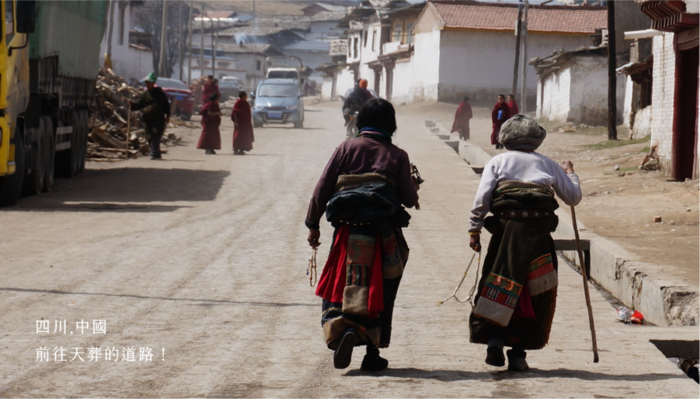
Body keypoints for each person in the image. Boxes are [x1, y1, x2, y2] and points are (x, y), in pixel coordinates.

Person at [306, 98, 419, 372]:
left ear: (360, 121)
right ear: (391, 125)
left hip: (346, 231)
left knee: (340, 283)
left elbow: (323, 187)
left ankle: (341, 331)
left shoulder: (345, 148)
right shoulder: (398, 155)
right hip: (383, 236)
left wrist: (313, 223)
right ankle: (372, 352)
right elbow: (408, 197)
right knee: (384, 287)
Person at [467, 114, 582, 372]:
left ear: (506, 140)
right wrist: (571, 175)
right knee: (534, 290)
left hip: (505, 238)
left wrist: (474, 231)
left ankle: (495, 338)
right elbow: (573, 198)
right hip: (538, 240)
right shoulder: (549, 165)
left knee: (498, 282)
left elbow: (481, 201)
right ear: (537, 140)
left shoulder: (497, 162)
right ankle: (518, 354)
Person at [130, 72, 171, 160]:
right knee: (149, 136)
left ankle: (154, 153)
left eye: (149, 83)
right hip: (148, 119)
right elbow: (140, 104)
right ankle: (156, 153)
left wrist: (168, 115)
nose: (148, 84)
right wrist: (132, 105)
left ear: (153, 83)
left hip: (158, 119)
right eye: (147, 83)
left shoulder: (160, 94)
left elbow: (166, 105)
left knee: (156, 134)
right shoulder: (145, 94)